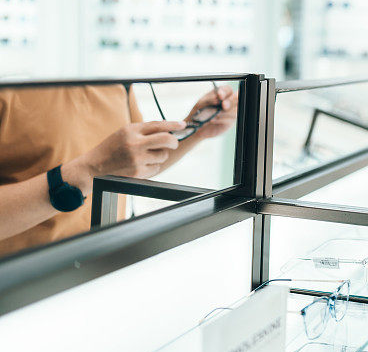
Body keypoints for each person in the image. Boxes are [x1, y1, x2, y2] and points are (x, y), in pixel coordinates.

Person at [0, 82, 237, 256]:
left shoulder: (115, 84)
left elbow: (131, 163)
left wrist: (196, 128)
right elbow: (100, 165)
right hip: (23, 283)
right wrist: (88, 170)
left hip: (100, 265)